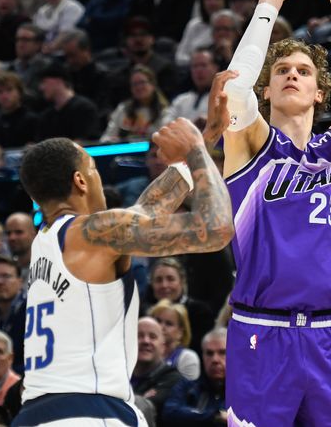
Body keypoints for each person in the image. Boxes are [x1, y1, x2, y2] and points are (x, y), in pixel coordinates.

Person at [199, 0, 331, 425]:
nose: (292, 75)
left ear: (321, 91)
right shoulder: (252, 145)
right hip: (261, 333)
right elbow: (234, 92)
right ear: (268, 89)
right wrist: (270, 0)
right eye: (281, 71)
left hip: (330, 335)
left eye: (303, 70)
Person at [12, 111, 232, 425]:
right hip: (88, 413)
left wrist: (208, 136)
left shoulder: (45, 243)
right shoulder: (90, 232)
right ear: (80, 181)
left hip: (34, 415)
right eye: (93, 169)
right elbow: (215, 228)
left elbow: (143, 212)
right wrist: (196, 150)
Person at [162, 328, 228, 427]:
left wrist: (194, 415)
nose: (215, 359)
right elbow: (170, 413)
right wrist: (216, 416)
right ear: (203, 356)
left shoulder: (246, 393)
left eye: (222, 352)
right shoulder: (186, 386)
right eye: (209, 353)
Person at [130, 317, 183, 423]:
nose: (146, 341)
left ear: (163, 347)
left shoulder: (173, 378)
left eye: (153, 337)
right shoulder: (118, 374)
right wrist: (141, 398)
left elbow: (145, 409)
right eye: (139, 336)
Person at [147, 299, 200, 381]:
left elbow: (184, 392)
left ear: (180, 332)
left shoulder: (187, 358)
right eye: (158, 321)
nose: (161, 327)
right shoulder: (138, 352)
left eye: (169, 324)